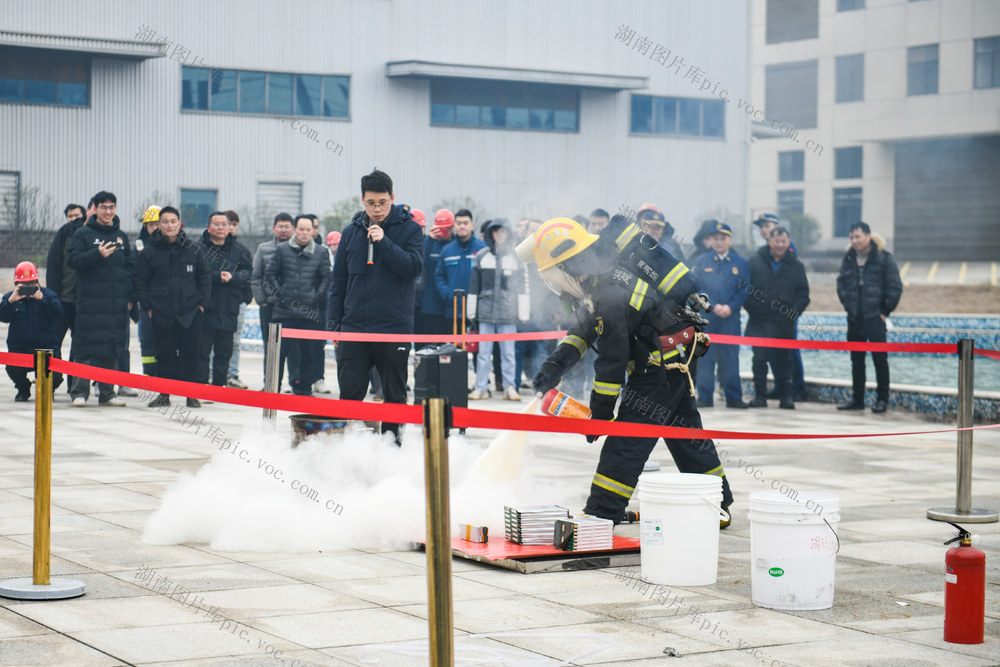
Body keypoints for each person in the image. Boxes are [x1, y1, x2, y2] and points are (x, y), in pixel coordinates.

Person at [524, 218, 732, 526]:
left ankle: (602, 511)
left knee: (627, 440)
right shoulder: (599, 279)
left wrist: (600, 416)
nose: (557, 285)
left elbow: (612, 361)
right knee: (684, 433)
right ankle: (719, 506)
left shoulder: (606, 288)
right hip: (674, 358)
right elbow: (583, 329)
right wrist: (554, 366)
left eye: (556, 276)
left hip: (661, 368)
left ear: (568, 264)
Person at [327, 169, 423, 445]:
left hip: (393, 327)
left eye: (382, 202)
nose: (377, 208)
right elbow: (339, 283)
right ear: (362, 200)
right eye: (371, 203)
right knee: (350, 391)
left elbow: (412, 269)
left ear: (392, 198)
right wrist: (334, 324)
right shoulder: (350, 232)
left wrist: (385, 242)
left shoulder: (411, 230)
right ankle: (349, 446)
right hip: (355, 326)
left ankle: (391, 446)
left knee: (394, 392)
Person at [134, 206, 211, 408]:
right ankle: (163, 395)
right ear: (159, 225)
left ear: (179, 224)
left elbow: (204, 279)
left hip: (190, 312)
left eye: (173, 221)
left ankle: (191, 395)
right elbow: (140, 282)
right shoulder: (149, 252)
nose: (169, 225)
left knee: (191, 355)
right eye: (165, 221)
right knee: (164, 355)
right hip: (161, 313)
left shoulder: (194, 249)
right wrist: (149, 308)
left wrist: (202, 305)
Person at [66, 191, 132, 407]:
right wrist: (97, 254)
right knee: (85, 348)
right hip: (90, 305)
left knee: (111, 350)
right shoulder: (83, 234)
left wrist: (130, 297)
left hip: (115, 306)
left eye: (112, 207)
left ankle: (107, 393)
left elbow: (131, 268)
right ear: (94, 208)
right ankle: (79, 393)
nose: (108, 211)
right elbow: (73, 260)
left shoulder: (121, 236)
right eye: (103, 207)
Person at [836, 221, 903, 414]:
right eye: (851, 238)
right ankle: (858, 399)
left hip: (875, 318)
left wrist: (884, 311)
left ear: (868, 236)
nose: (854, 241)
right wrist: (847, 305)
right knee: (856, 360)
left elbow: (895, 287)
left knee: (879, 360)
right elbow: (841, 283)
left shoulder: (884, 258)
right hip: (854, 318)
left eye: (858, 236)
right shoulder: (849, 257)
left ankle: (882, 400)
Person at [265, 215, 332, 396]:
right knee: (279, 354)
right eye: (301, 229)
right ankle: (273, 389)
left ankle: (303, 389)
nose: (304, 233)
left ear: (313, 231)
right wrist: (281, 295)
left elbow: (326, 278)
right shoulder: (282, 249)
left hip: (309, 313)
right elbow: (270, 274)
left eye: (307, 230)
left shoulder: (321, 252)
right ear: (295, 230)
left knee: (309, 355)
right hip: (284, 312)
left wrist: (316, 297)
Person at [744, 226, 810, 409]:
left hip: (784, 324)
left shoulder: (796, 266)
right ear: (769, 241)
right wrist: (754, 309)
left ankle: (786, 397)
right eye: (777, 241)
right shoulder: (755, 262)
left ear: (788, 243)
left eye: (784, 241)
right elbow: (745, 289)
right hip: (759, 322)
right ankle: (760, 397)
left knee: (784, 361)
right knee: (759, 360)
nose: (780, 245)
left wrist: (793, 313)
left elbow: (803, 294)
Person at [467, 218, 527, 401]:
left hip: (508, 314)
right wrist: (472, 312)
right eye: (496, 231)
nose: (499, 234)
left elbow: (523, 286)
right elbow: (473, 286)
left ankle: (510, 387)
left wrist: (523, 312)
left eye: (503, 231)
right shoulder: (482, 256)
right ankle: (481, 387)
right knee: (483, 353)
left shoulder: (517, 258)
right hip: (485, 312)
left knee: (508, 352)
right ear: (491, 233)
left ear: (508, 234)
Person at [693, 222, 750, 409]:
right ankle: (705, 397)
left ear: (730, 240)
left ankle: (734, 397)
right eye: (715, 238)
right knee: (705, 358)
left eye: (723, 238)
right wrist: (713, 306)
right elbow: (698, 288)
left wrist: (731, 307)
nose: (719, 242)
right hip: (708, 317)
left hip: (730, 318)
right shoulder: (702, 262)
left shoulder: (740, 263)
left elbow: (745, 290)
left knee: (730, 358)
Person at [200, 211, 252, 388]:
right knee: (202, 352)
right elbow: (193, 276)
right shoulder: (198, 249)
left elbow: (248, 274)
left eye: (224, 224)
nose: (221, 228)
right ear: (208, 227)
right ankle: (200, 386)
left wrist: (234, 278)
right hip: (205, 309)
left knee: (224, 352)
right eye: (216, 224)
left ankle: (219, 387)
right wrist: (216, 277)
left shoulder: (239, 251)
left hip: (229, 309)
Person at [1, 262, 64, 400]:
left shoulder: (49, 295)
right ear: (16, 283)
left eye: (30, 283)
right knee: (12, 368)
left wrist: (43, 300)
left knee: (57, 377)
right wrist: (11, 302)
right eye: (23, 284)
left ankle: (48, 389)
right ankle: (23, 389)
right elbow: (3, 317)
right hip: (20, 349)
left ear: (37, 281)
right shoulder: (10, 298)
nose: (27, 287)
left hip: (46, 348)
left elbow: (59, 313)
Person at [251, 213, 294, 387]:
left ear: (293, 229)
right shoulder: (264, 249)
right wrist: (262, 300)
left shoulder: (299, 248)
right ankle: (271, 384)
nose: (283, 230)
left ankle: (297, 384)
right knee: (271, 348)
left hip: (292, 308)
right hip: (269, 305)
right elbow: (255, 277)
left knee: (293, 348)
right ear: (273, 228)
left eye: (287, 226)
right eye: (280, 226)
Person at [45, 202, 88, 372]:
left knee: (79, 346)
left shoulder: (86, 236)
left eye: (76, 216)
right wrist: (52, 297)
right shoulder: (62, 235)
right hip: (62, 300)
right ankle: (53, 380)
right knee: (53, 341)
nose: (73, 220)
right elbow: (53, 267)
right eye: (70, 217)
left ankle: (74, 385)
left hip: (81, 302)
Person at [435, 208, 485, 336]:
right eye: (459, 223)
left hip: (478, 311)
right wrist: (447, 294)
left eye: (465, 223)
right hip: (453, 310)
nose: (462, 226)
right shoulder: (447, 251)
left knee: (477, 353)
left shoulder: (482, 249)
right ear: (454, 226)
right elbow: (439, 276)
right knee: (455, 352)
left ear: (472, 225)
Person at [416, 209, 454, 348]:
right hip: (431, 305)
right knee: (429, 348)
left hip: (450, 306)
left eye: (446, 229)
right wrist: (429, 240)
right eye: (440, 229)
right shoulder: (430, 243)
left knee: (449, 350)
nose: (443, 233)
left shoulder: (454, 246)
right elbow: (419, 262)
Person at [224, 210, 253, 390]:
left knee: (235, 340)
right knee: (213, 340)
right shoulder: (208, 248)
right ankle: (212, 375)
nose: (231, 228)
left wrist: (245, 298)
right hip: (215, 303)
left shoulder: (242, 250)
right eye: (229, 224)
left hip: (237, 301)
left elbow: (249, 274)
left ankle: (232, 374)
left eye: (234, 224)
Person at [133, 206, 161, 378]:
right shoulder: (139, 247)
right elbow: (135, 276)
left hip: (167, 302)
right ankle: (150, 376)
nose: (155, 228)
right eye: (151, 224)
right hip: (146, 303)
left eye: (159, 223)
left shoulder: (175, 245)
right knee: (148, 340)